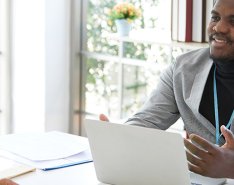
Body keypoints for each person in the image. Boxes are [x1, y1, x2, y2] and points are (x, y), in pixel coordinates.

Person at [100, 0, 234, 179]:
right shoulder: (183, 69)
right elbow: (147, 121)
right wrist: (120, 137)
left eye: (233, 21)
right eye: (215, 17)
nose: (219, 27)